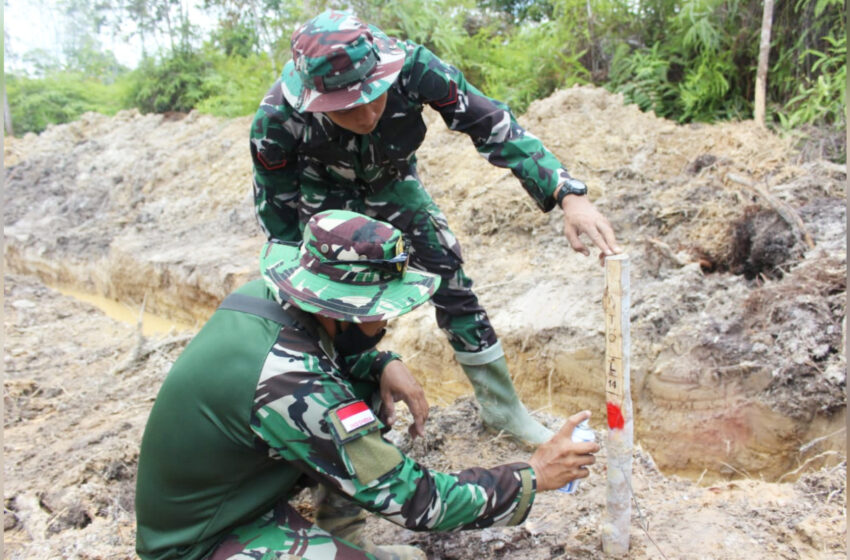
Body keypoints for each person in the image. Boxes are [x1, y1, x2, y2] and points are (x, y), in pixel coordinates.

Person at [135, 210, 600, 560]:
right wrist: (531, 476)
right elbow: (417, 500)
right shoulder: (293, 381)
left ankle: (341, 535)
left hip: (232, 497)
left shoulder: (264, 298)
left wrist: (378, 361)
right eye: (380, 308)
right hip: (198, 543)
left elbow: (319, 353)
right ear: (342, 308)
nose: (387, 319)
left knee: (361, 390)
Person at [250, 10, 621, 445]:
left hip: (395, 184)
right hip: (324, 204)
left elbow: (489, 123)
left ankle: (502, 409)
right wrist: (300, 289)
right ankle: (340, 412)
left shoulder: (413, 67)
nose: (369, 114)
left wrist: (567, 194)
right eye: (350, 107)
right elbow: (280, 225)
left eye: (376, 94)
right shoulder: (277, 119)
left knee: (449, 274)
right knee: (328, 305)